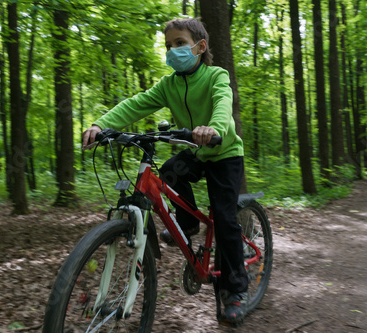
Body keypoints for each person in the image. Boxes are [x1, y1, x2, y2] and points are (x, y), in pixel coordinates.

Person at [82, 18, 248, 324]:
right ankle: (187, 224)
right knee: (170, 171)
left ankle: (235, 291)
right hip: (198, 152)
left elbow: (224, 105)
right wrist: (100, 125)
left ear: (200, 47)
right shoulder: (169, 84)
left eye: (180, 44)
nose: (173, 51)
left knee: (225, 220)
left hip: (224, 153)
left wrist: (212, 127)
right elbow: (137, 104)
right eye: (168, 45)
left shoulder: (216, 76)